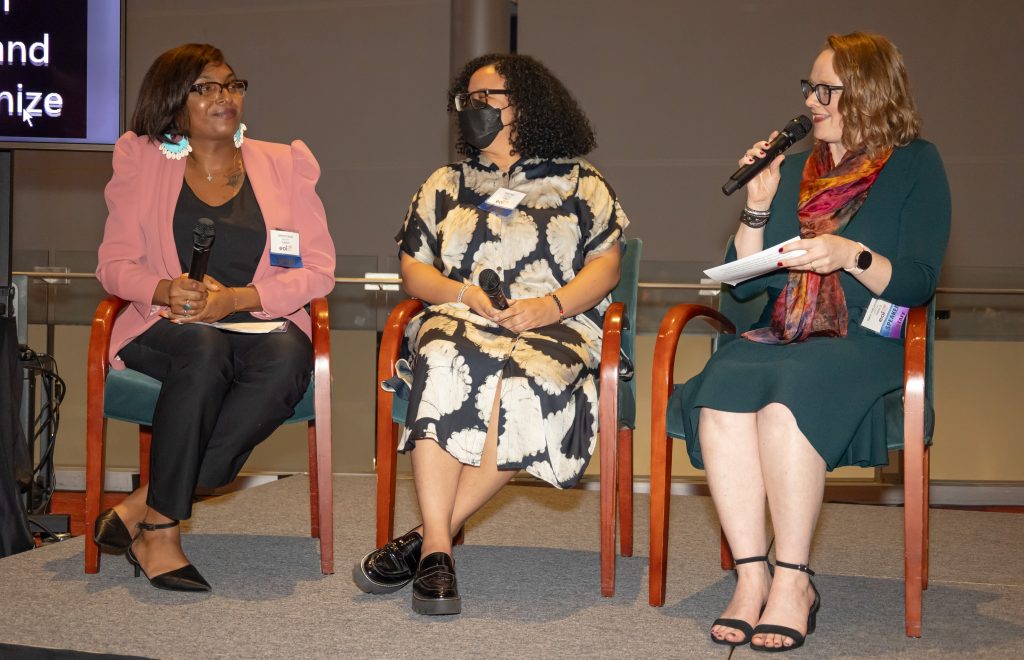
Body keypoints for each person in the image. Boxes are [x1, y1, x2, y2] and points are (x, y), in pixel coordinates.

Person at [676, 32, 950, 651]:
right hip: (784, 330)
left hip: (868, 334)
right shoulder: (795, 170)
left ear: (871, 92)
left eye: (827, 89)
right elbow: (741, 295)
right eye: (810, 88)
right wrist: (756, 208)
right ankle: (752, 578)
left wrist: (847, 254)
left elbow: (917, 282)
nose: (813, 102)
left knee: (788, 393)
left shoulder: (915, 163)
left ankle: (794, 581)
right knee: (718, 390)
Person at [352, 53, 629, 615]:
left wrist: (548, 306)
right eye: (467, 101)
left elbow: (606, 267)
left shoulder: (581, 181)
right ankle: (437, 549)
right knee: (441, 357)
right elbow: (414, 268)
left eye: (487, 99)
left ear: (523, 104)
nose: (473, 110)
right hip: (461, 316)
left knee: (521, 382)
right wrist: (463, 295)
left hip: (557, 323)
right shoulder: (444, 183)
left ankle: (428, 539)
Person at [93, 44, 335, 592]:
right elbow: (113, 266)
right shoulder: (142, 159)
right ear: (174, 101)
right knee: (205, 349)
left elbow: (318, 271)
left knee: (288, 358)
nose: (224, 97)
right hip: (165, 326)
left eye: (232, 85)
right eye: (206, 87)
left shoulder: (284, 162)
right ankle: (161, 530)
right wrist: (163, 288)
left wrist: (238, 298)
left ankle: (143, 503)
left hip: (256, 319)